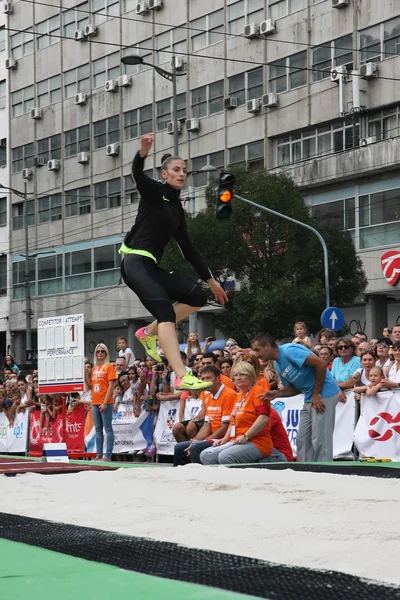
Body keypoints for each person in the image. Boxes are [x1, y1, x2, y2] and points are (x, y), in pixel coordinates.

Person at [119, 133, 228, 392]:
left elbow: (188, 250)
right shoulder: (154, 192)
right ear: (165, 174)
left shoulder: (177, 210)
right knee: (166, 312)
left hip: (152, 266)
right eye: (176, 170)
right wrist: (142, 152)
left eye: (184, 171)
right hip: (134, 261)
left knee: (197, 297)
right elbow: (136, 173)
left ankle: (147, 333)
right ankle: (181, 374)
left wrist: (212, 281)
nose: (182, 174)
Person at [251, 333, 340, 463]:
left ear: (268, 346)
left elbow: (321, 364)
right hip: (310, 397)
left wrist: (316, 394)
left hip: (325, 393)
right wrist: (276, 394)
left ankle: (325, 472)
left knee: (320, 439)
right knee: (302, 438)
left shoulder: (289, 351)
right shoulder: (277, 365)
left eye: (257, 349)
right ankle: (305, 470)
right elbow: (296, 388)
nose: (257, 354)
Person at [200, 362, 272, 465]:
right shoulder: (239, 395)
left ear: (251, 376)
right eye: (236, 375)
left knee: (225, 457)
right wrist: (225, 438)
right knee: (206, 455)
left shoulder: (258, 392)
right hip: (236, 440)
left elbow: (263, 418)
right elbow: (232, 420)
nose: (238, 378)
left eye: (242, 374)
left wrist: (246, 436)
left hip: (257, 441)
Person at [174, 366, 237, 466]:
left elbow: (225, 427)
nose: (205, 381)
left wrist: (204, 440)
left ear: (217, 379)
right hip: (213, 436)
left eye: (208, 378)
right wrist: (196, 440)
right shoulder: (207, 394)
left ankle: (200, 475)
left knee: (196, 447)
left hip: (224, 438)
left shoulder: (229, 395)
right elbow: (207, 424)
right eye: (202, 379)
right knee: (179, 447)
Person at [85, 343, 117, 462]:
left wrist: (104, 402)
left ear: (106, 353)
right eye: (97, 351)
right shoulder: (94, 368)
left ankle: (107, 455)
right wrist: (85, 372)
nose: (99, 353)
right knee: (98, 429)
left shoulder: (109, 367)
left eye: (102, 351)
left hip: (106, 401)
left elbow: (111, 387)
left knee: (108, 428)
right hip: (95, 401)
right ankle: (98, 454)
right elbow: (90, 386)